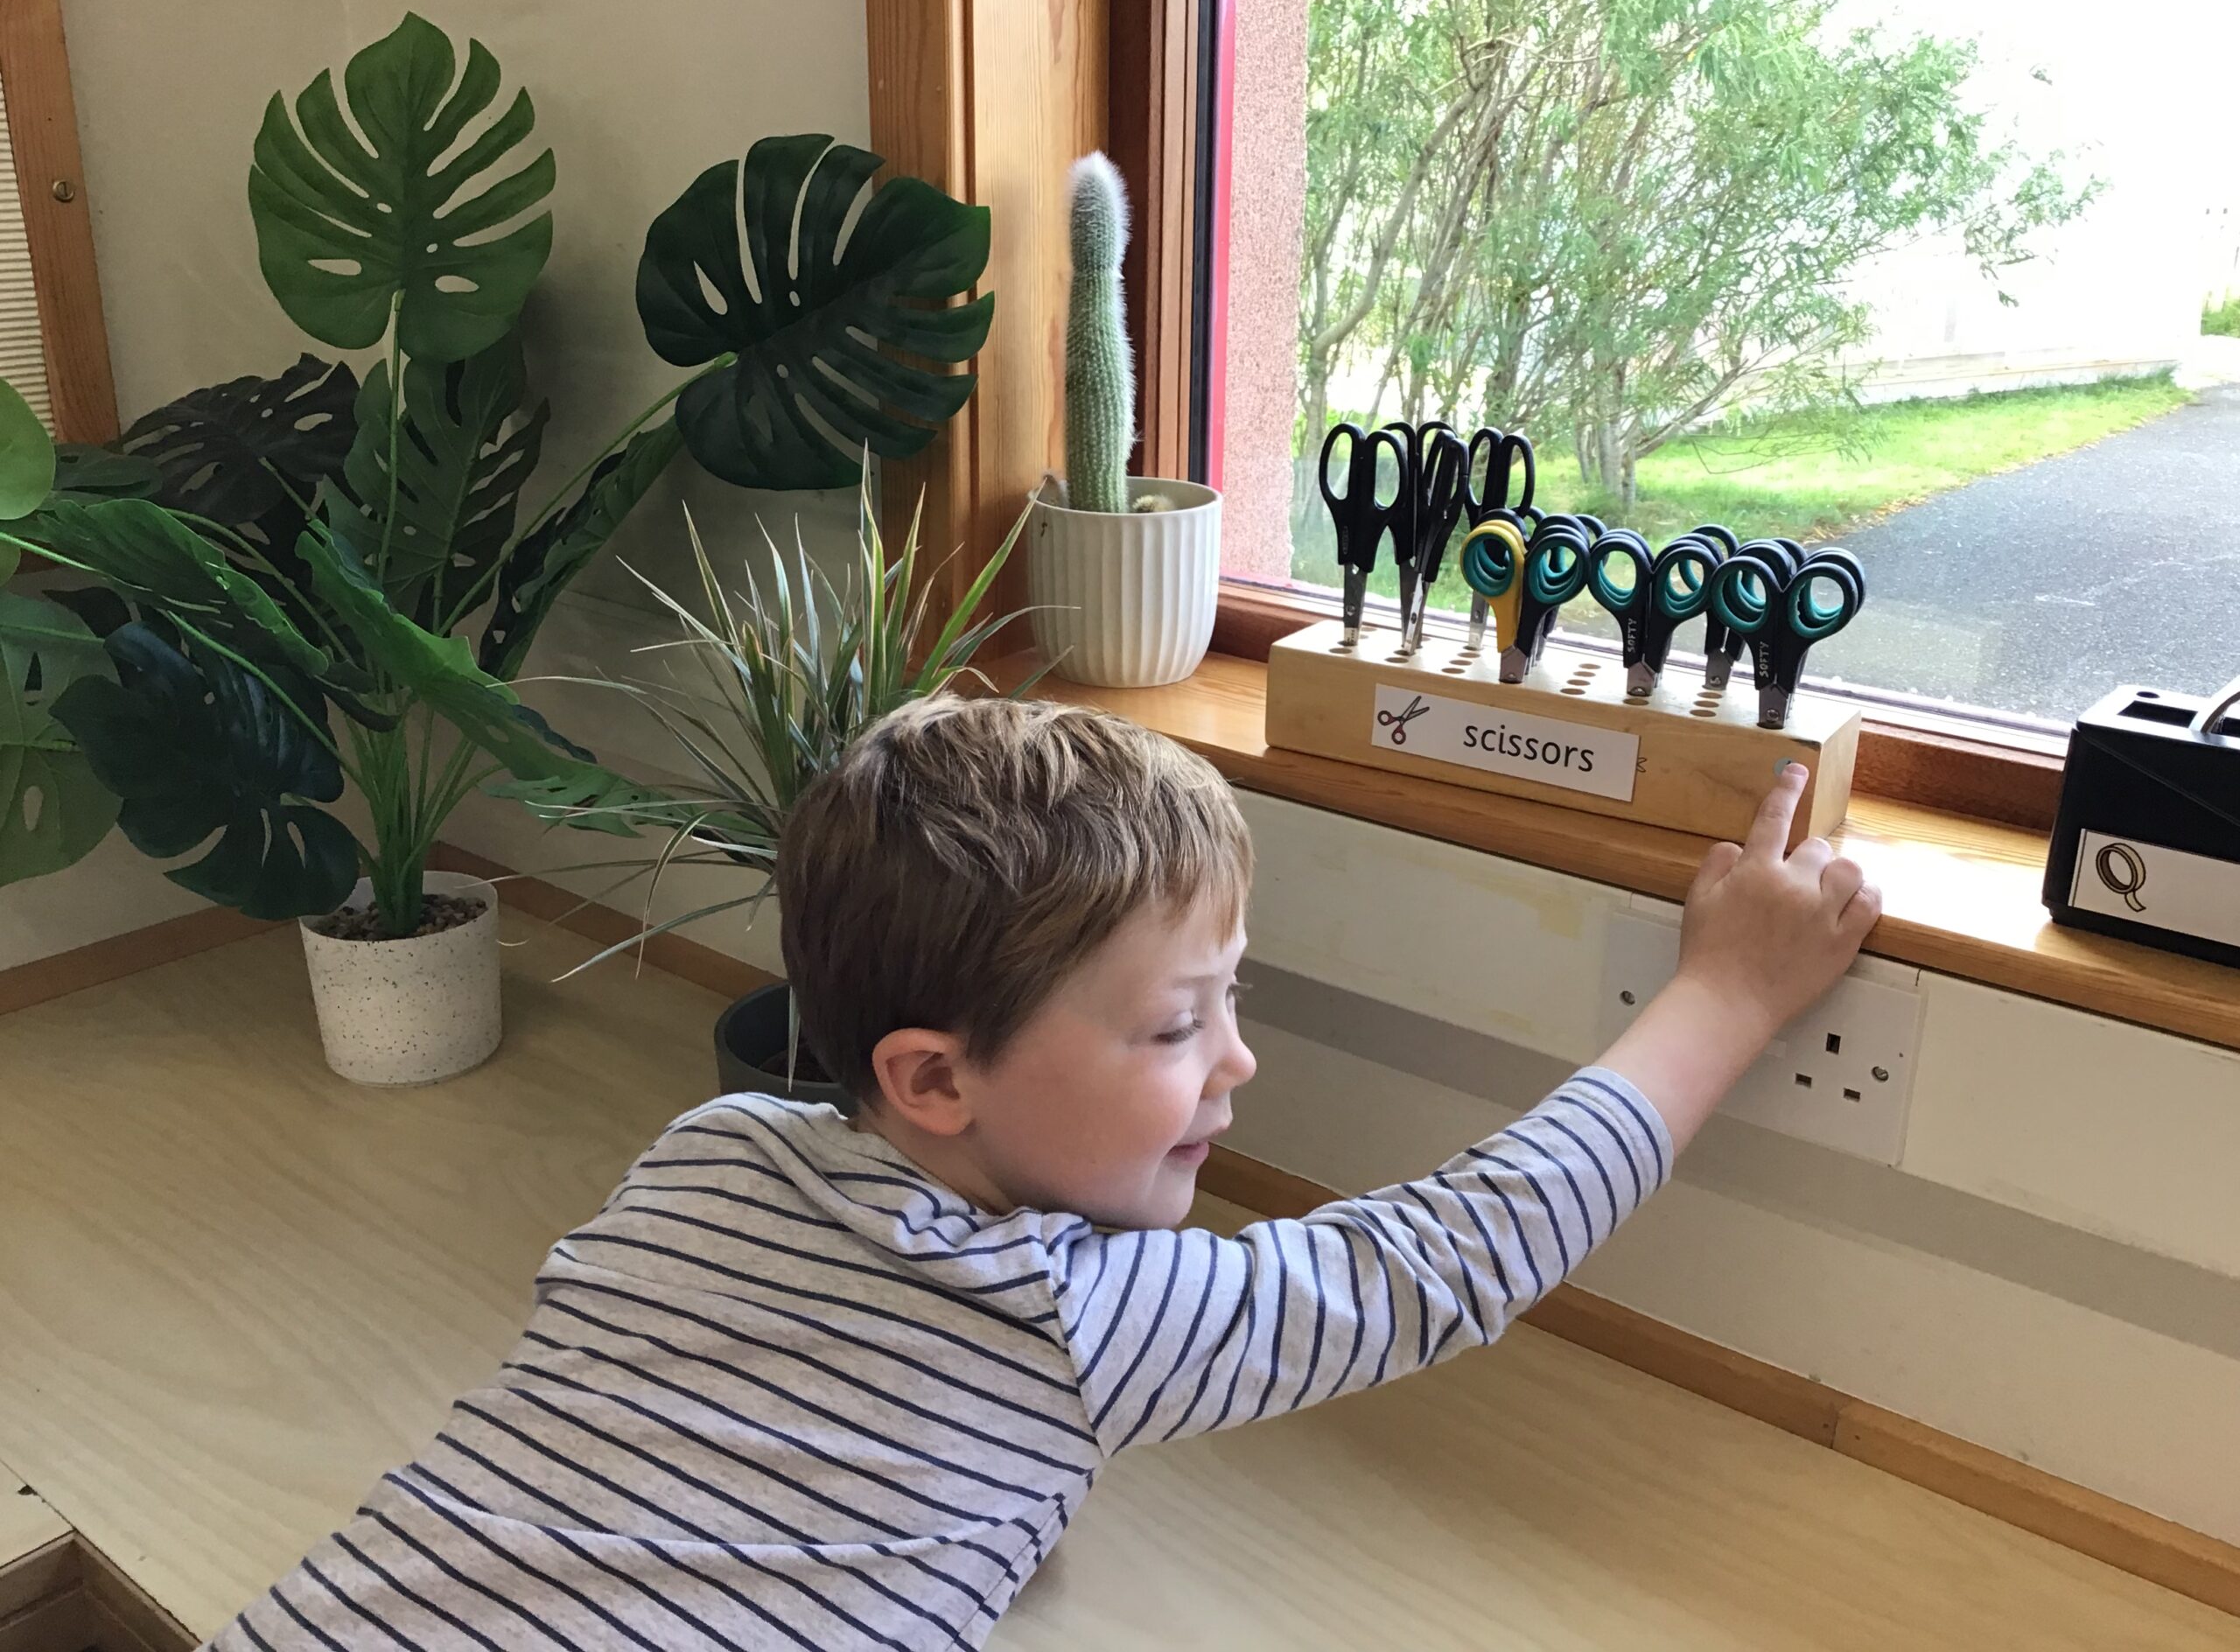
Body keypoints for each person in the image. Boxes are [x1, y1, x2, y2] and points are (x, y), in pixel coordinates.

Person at [207, 694, 1880, 1652]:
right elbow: (1445, 1262)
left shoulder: (711, 1154)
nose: (1237, 1065)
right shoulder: (1062, 1311)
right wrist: (1729, 993)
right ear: (933, 1079)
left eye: (1230, 1005)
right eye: (1176, 1026)